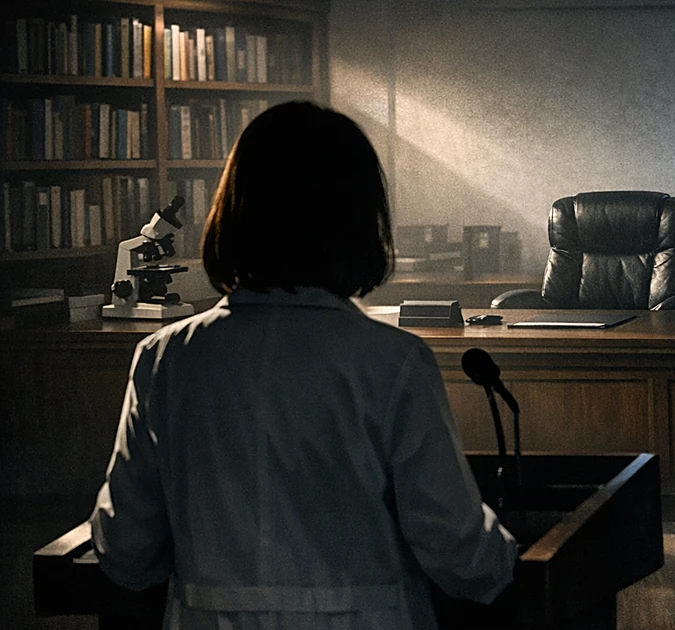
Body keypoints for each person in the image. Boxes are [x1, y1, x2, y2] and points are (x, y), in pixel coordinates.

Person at [90, 101, 517, 629]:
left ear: (235, 211)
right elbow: (456, 549)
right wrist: (506, 558)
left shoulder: (164, 360)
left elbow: (125, 550)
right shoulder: (394, 363)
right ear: (359, 221)